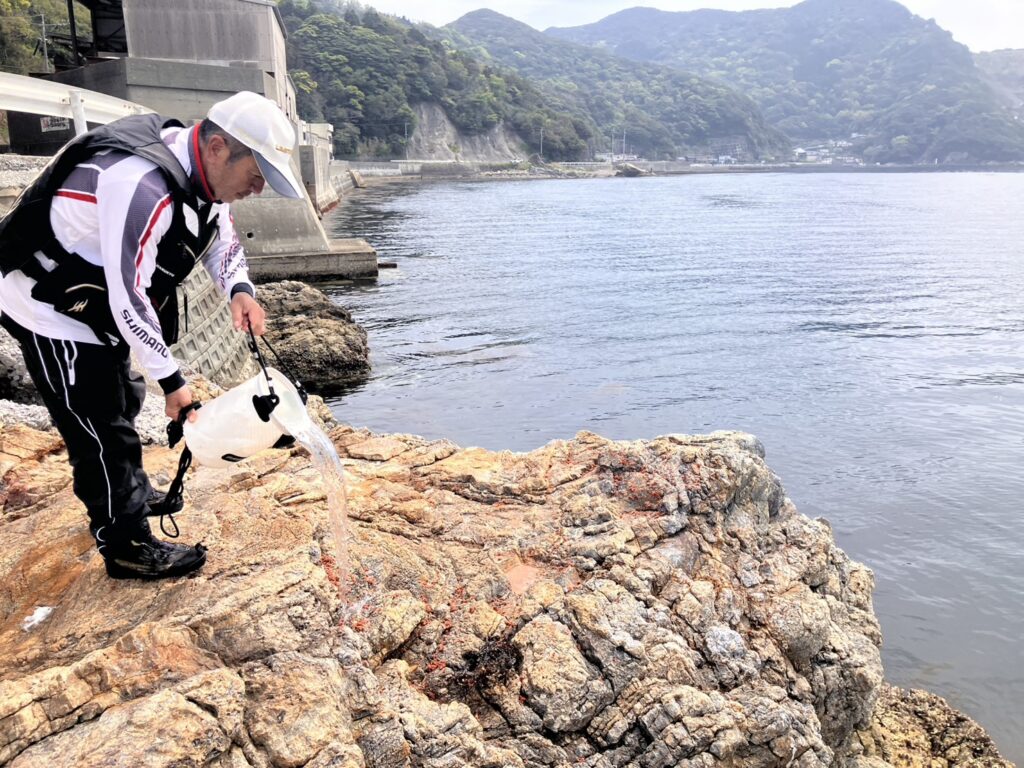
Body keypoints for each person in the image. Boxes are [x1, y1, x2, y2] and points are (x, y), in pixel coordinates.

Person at [0, 91, 304, 580]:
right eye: (256, 175)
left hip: (91, 301)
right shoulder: (140, 185)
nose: (258, 188)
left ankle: (132, 494)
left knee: (124, 397)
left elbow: (220, 240)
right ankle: (125, 545)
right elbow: (130, 297)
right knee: (99, 428)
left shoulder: (203, 179)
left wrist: (240, 291)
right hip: (46, 307)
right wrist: (174, 383)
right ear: (219, 148)